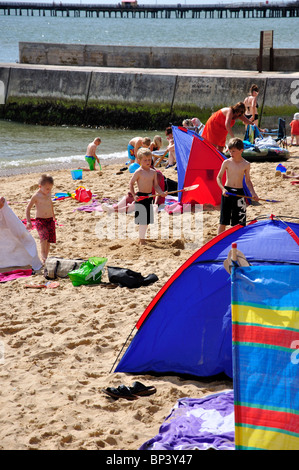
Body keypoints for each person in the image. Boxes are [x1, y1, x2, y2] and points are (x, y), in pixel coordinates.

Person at [216, 138, 259, 235]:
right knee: (223, 220)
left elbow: (248, 181)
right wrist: (223, 189)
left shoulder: (246, 164)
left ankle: (238, 240)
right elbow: (218, 177)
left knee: (239, 222)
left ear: (241, 151)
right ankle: (217, 242)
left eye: (234, 151)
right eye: (230, 151)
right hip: (227, 192)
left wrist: (253, 193)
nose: (231, 153)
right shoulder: (227, 162)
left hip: (239, 193)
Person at [129, 148, 167, 245]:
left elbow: (156, 186)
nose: (148, 162)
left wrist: (161, 192)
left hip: (150, 196)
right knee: (142, 220)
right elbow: (131, 183)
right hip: (141, 196)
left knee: (147, 220)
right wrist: (133, 195)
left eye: (149, 159)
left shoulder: (153, 172)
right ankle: (141, 240)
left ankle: (142, 238)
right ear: (139, 161)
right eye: (145, 160)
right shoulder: (138, 172)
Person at [26, 174, 56, 263]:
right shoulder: (36, 196)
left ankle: (46, 256)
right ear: (40, 186)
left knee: (49, 239)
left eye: (50, 188)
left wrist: (53, 215)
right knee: (43, 238)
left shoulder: (48, 193)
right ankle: (43, 257)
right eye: (47, 189)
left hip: (50, 219)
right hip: (40, 220)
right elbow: (28, 208)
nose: (49, 190)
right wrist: (28, 221)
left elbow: (50, 204)